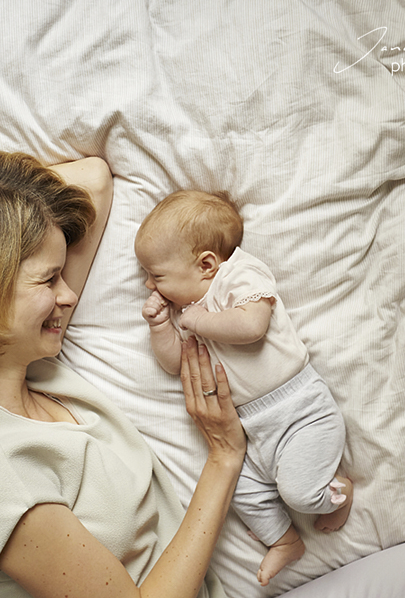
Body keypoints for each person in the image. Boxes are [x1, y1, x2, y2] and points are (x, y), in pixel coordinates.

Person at [0, 149, 246, 598]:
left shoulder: (24, 361)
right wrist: (223, 458)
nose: (68, 295)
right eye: (49, 280)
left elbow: (94, 179)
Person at [134, 189, 352, 587]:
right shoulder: (187, 311)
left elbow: (252, 327)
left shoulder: (239, 275)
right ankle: (286, 541)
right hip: (247, 430)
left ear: (206, 264)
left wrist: (196, 322)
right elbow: (174, 365)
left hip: (298, 410)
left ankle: (337, 491)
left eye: (157, 275)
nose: (149, 284)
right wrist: (161, 327)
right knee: (240, 493)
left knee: (300, 493)